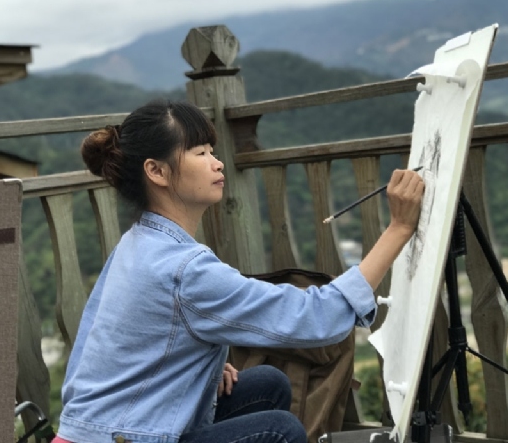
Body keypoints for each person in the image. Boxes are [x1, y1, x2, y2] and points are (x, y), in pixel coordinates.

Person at [53, 100, 424, 443]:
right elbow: (316, 316)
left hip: (91, 431)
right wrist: (399, 229)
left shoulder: (137, 243)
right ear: (157, 171)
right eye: (200, 153)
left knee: (268, 384)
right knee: (280, 431)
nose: (217, 163)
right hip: (126, 436)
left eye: (212, 151)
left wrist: (205, 370)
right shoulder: (185, 268)